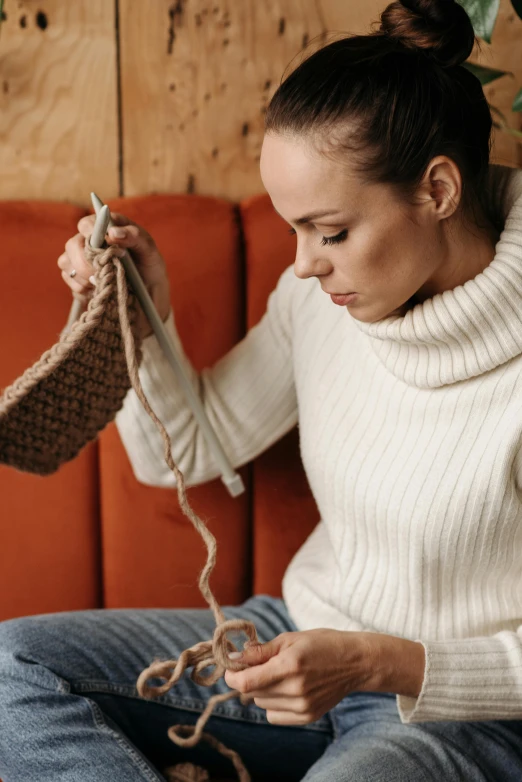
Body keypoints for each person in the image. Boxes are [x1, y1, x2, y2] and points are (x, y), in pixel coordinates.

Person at [2, 0, 522, 780]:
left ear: (439, 190)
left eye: (333, 231)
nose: (308, 263)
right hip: (293, 640)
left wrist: (383, 663)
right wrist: (144, 317)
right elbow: (196, 446)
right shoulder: (322, 296)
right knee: (13, 668)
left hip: (457, 715)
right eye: (294, 230)